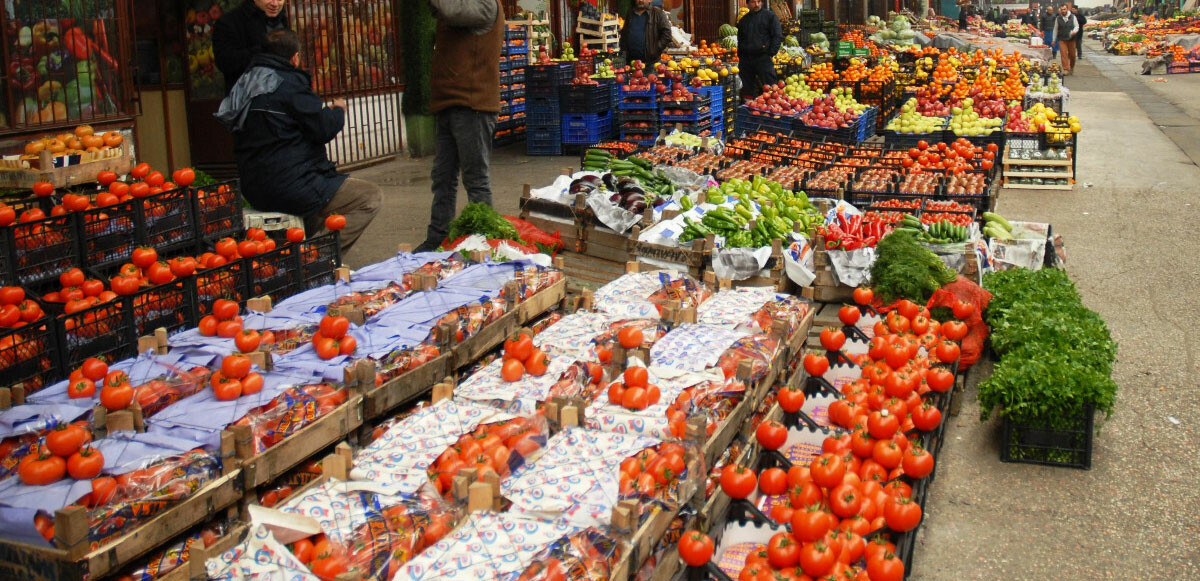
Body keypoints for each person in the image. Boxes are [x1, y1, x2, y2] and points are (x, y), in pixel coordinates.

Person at [216, 30, 381, 254]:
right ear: (295, 57)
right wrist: (338, 111)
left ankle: (299, 256)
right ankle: (315, 258)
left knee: (317, 207)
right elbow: (324, 129)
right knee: (368, 196)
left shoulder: (244, 83)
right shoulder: (290, 83)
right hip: (292, 185)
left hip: (253, 187)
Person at [416, 0, 505, 253]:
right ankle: (437, 238)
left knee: (475, 179)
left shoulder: (485, 5)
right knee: (442, 178)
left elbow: (449, 9)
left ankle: (484, 244)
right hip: (449, 102)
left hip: (472, 104)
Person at [213, 0, 289, 95]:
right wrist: (263, 51)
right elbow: (225, 62)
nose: (275, 4)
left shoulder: (282, 19)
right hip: (247, 99)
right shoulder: (229, 22)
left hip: (283, 95)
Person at [736, 0, 782, 99]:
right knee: (747, 89)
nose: (757, 4)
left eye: (759, 1)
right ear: (747, 4)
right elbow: (740, 39)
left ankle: (773, 108)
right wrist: (741, 55)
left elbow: (777, 36)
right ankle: (748, 109)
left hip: (763, 58)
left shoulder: (770, 17)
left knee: (770, 88)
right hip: (746, 60)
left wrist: (771, 52)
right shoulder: (743, 20)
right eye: (753, 2)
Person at [620, 0, 673, 65]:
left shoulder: (658, 13)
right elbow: (624, 34)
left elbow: (667, 34)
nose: (640, 0)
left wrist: (655, 49)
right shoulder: (630, 13)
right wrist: (623, 52)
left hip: (650, 62)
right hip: (631, 62)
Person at [1051, 3, 1080, 74]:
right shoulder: (1058, 18)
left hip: (1071, 39)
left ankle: (1072, 67)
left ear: (1067, 9)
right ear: (1060, 10)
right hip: (1062, 38)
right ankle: (1066, 69)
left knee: (1072, 55)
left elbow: (1077, 26)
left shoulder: (1073, 17)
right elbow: (1055, 29)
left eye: (1064, 9)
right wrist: (1053, 40)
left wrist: (1074, 31)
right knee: (1063, 54)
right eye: (1062, 10)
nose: (1063, 11)